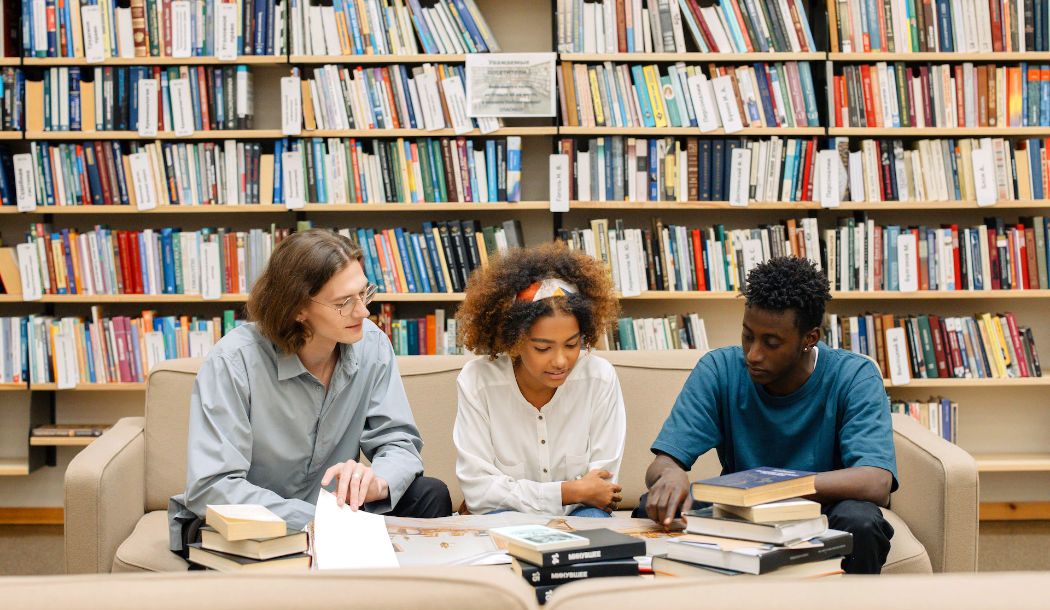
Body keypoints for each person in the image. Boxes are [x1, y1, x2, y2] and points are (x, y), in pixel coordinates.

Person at [168, 229, 452, 556]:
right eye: (344, 302)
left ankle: (398, 599)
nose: (363, 312)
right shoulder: (233, 362)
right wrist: (321, 521)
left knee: (430, 494)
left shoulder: (371, 344)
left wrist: (379, 481)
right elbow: (213, 487)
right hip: (255, 520)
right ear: (297, 308)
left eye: (364, 294)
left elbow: (398, 441)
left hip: (333, 512)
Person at [636, 256, 897, 574]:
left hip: (822, 510)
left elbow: (875, 482)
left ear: (809, 339)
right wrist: (671, 474)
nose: (753, 354)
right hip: (742, 511)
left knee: (861, 521)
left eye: (771, 343)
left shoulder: (854, 375)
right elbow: (662, 464)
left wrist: (774, 488)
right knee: (651, 505)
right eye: (748, 336)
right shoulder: (719, 370)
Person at [453, 242, 626, 517]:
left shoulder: (599, 378)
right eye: (543, 348)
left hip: (582, 513)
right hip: (506, 516)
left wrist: (578, 494)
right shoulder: (478, 382)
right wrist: (570, 491)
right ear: (515, 341)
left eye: (572, 345)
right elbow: (480, 492)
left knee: (595, 524)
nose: (560, 361)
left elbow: (601, 489)